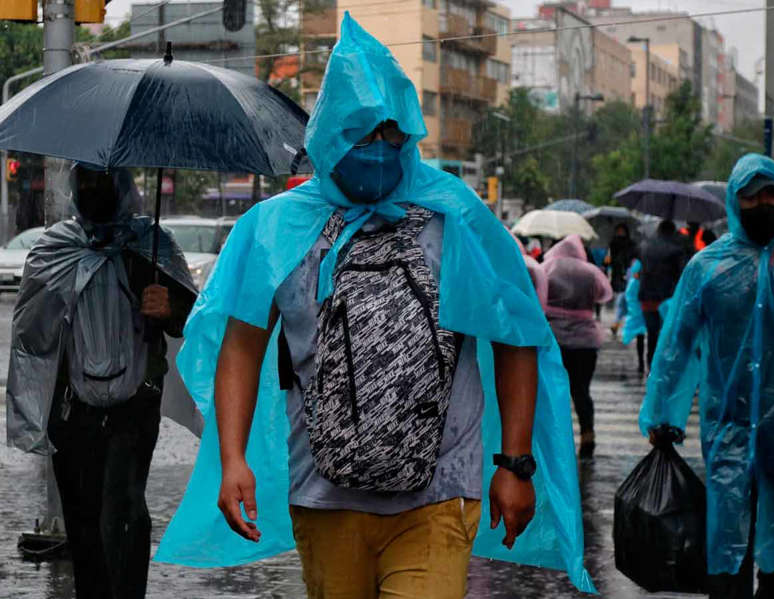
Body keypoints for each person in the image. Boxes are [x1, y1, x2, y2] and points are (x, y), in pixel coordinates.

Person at [154, 14, 595, 598]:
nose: (381, 148)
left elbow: (514, 337)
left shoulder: (456, 218)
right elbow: (241, 345)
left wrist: (514, 465)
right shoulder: (278, 230)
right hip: (324, 495)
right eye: (363, 133)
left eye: (393, 133)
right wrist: (232, 458)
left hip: (439, 495)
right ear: (330, 134)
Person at [6, 165, 196, 599]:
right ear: (75, 189)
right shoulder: (56, 248)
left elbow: (190, 318)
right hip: (74, 410)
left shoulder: (151, 246)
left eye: (105, 181)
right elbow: (31, 334)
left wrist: (167, 307)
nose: (95, 190)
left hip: (134, 406)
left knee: (124, 511)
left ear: (124, 188)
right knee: (84, 522)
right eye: (87, 181)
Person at [640, 154, 774, 599]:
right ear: (735, 199)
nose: (763, 203)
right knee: (727, 551)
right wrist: (662, 415)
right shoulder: (707, 267)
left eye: (773, 193)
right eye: (752, 195)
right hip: (728, 428)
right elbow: (676, 348)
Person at [542, 234, 613, 458]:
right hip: (586, 342)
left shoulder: (548, 268)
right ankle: (587, 434)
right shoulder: (589, 272)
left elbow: (537, 293)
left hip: (556, 340)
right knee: (582, 390)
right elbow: (603, 295)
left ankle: (558, 439)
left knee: (555, 391)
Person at [637, 219, 687, 369]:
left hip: (646, 295)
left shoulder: (644, 247)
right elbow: (681, 275)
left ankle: (650, 362)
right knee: (668, 333)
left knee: (652, 332)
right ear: (673, 232)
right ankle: (663, 365)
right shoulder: (676, 250)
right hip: (667, 297)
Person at [607, 223, 637, 336]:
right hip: (617, 273)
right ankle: (619, 322)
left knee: (623, 299)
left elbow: (634, 257)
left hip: (629, 273)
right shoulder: (613, 243)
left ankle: (618, 323)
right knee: (622, 299)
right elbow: (610, 258)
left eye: (622, 231)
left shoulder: (631, 244)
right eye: (618, 231)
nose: (620, 233)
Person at [620, 259, 647, 375]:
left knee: (642, 336)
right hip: (648, 310)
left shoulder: (634, 282)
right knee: (650, 336)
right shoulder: (641, 281)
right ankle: (645, 361)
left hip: (641, 312)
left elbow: (629, 297)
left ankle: (642, 361)